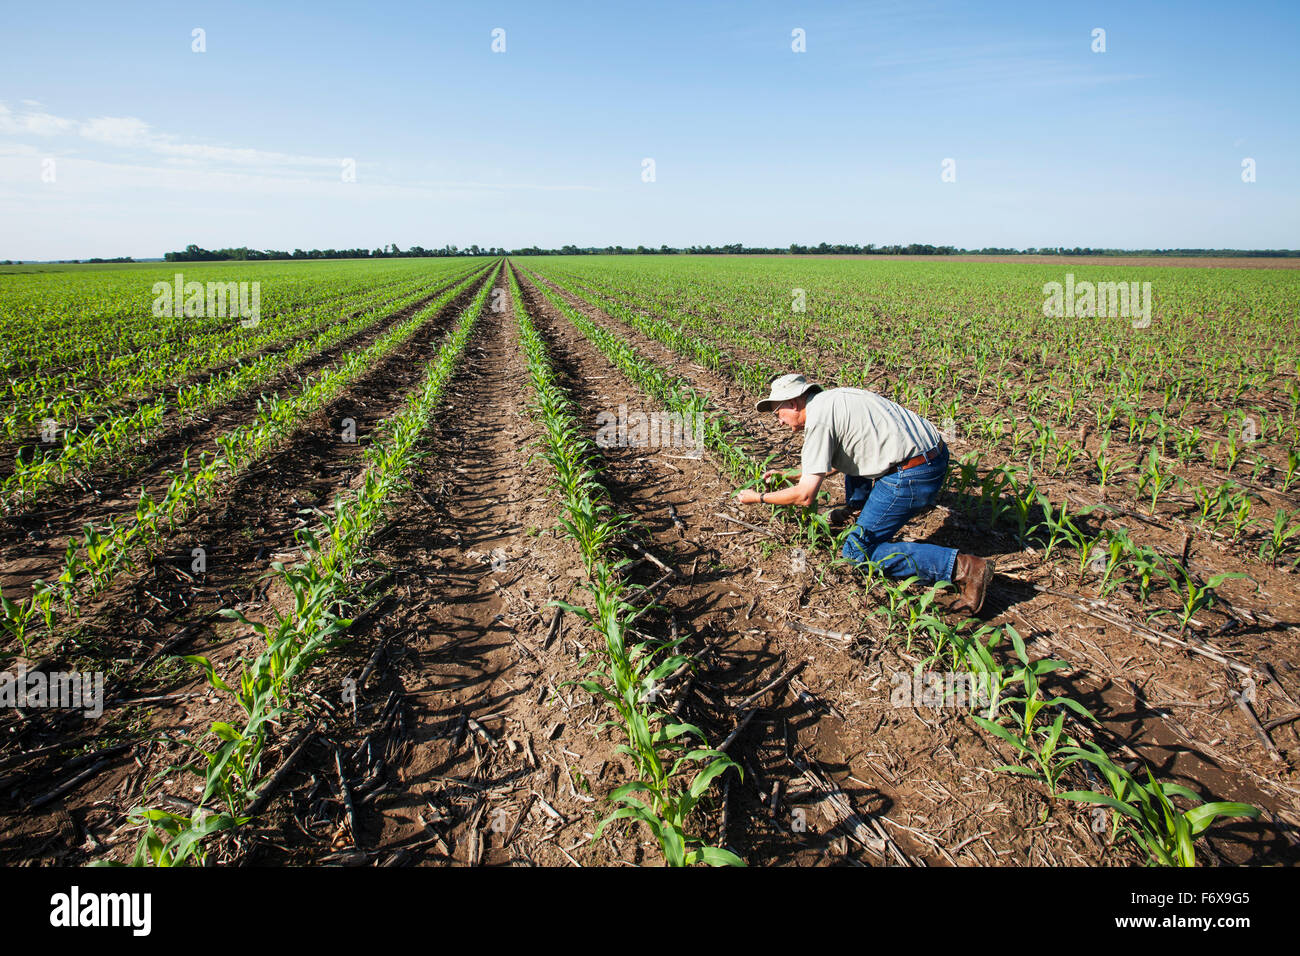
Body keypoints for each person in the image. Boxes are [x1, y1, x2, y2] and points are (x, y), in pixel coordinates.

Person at [733, 373, 994, 613]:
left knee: (858, 553)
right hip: (932, 454)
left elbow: (804, 496)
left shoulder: (819, 422)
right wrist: (790, 475)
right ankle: (857, 510)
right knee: (851, 454)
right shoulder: (834, 400)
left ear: (795, 403)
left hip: (913, 473)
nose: (778, 421)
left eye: (778, 412)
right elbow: (836, 460)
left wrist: (758, 497)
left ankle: (964, 568)